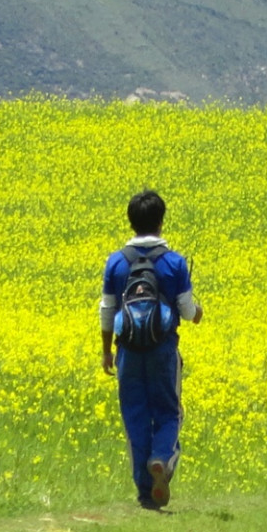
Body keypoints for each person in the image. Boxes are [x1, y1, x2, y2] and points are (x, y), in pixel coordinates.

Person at [98, 187, 203, 509]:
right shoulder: (173, 263)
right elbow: (187, 311)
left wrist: (106, 351)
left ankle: (146, 492)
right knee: (169, 411)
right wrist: (198, 313)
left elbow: (107, 310)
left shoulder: (116, 263)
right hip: (163, 349)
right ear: (161, 222)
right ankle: (161, 459)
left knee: (135, 415)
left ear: (131, 222)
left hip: (128, 349)